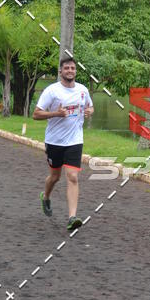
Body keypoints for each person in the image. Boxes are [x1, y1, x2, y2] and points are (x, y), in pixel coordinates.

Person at [33, 57, 94, 230]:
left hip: (75, 141)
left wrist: (90, 110)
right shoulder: (52, 91)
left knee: (73, 176)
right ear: (60, 71)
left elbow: (90, 106)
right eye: (66, 68)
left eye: (73, 68)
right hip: (54, 141)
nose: (70, 71)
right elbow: (36, 114)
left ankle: (72, 217)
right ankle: (45, 197)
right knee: (55, 177)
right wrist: (56, 114)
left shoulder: (82, 90)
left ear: (76, 71)